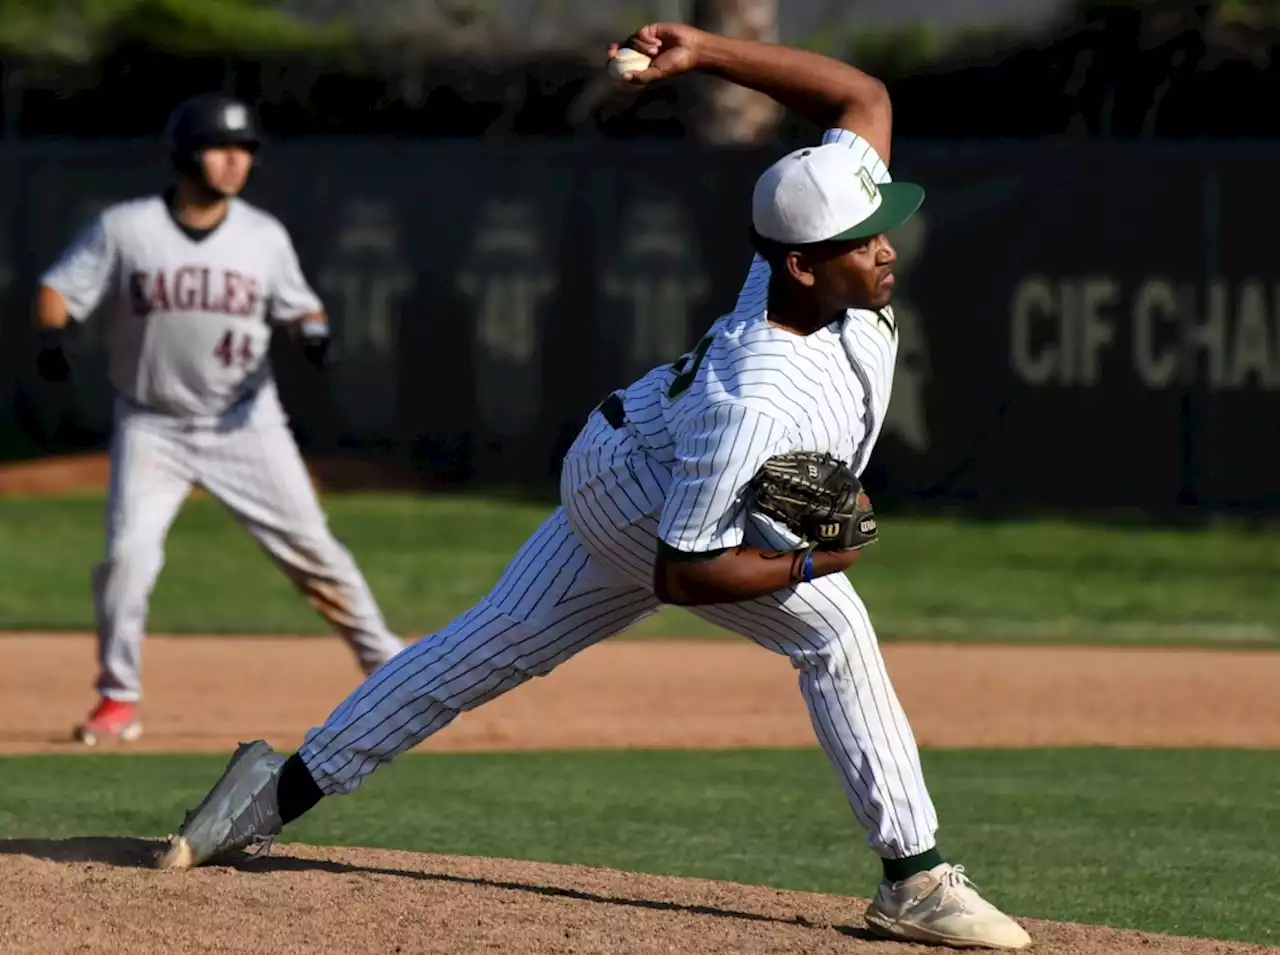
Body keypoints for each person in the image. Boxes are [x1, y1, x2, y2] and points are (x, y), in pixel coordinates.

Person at [155, 30, 1031, 951]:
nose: (885, 248)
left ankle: (269, 792)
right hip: (648, 501)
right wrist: (816, 558)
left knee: (483, 647)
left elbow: (864, 99)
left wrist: (703, 54)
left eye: (882, 225)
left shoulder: (808, 271)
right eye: (862, 240)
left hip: (632, 450)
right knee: (837, 627)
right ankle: (915, 878)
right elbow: (682, 573)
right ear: (804, 264)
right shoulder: (760, 391)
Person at [34, 93, 404, 746]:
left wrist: (314, 333)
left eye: (246, 149)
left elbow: (301, 305)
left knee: (313, 549)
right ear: (184, 153)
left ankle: (390, 664)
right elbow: (58, 288)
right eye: (222, 146)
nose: (237, 161)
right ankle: (117, 699)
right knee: (128, 556)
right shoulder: (127, 228)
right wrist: (53, 335)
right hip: (153, 426)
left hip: (245, 423)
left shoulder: (262, 235)